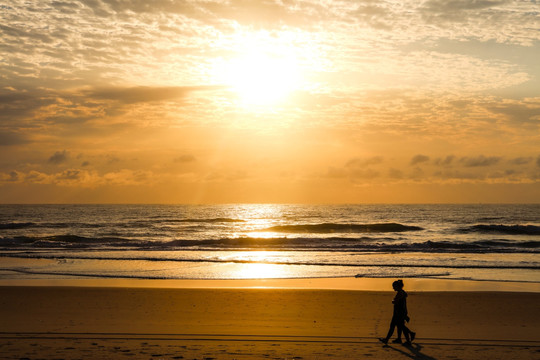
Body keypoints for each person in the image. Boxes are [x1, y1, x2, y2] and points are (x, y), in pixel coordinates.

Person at [379, 279, 416, 346]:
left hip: (399, 313)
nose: (393, 288)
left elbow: (395, 301)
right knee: (400, 326)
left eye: (394, 286)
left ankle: (409, 336)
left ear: (398, 286)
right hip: (401, 312)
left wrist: (393, 301)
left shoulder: (400, 293)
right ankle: (400, 339)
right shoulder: (402, 292)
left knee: (396, 326)